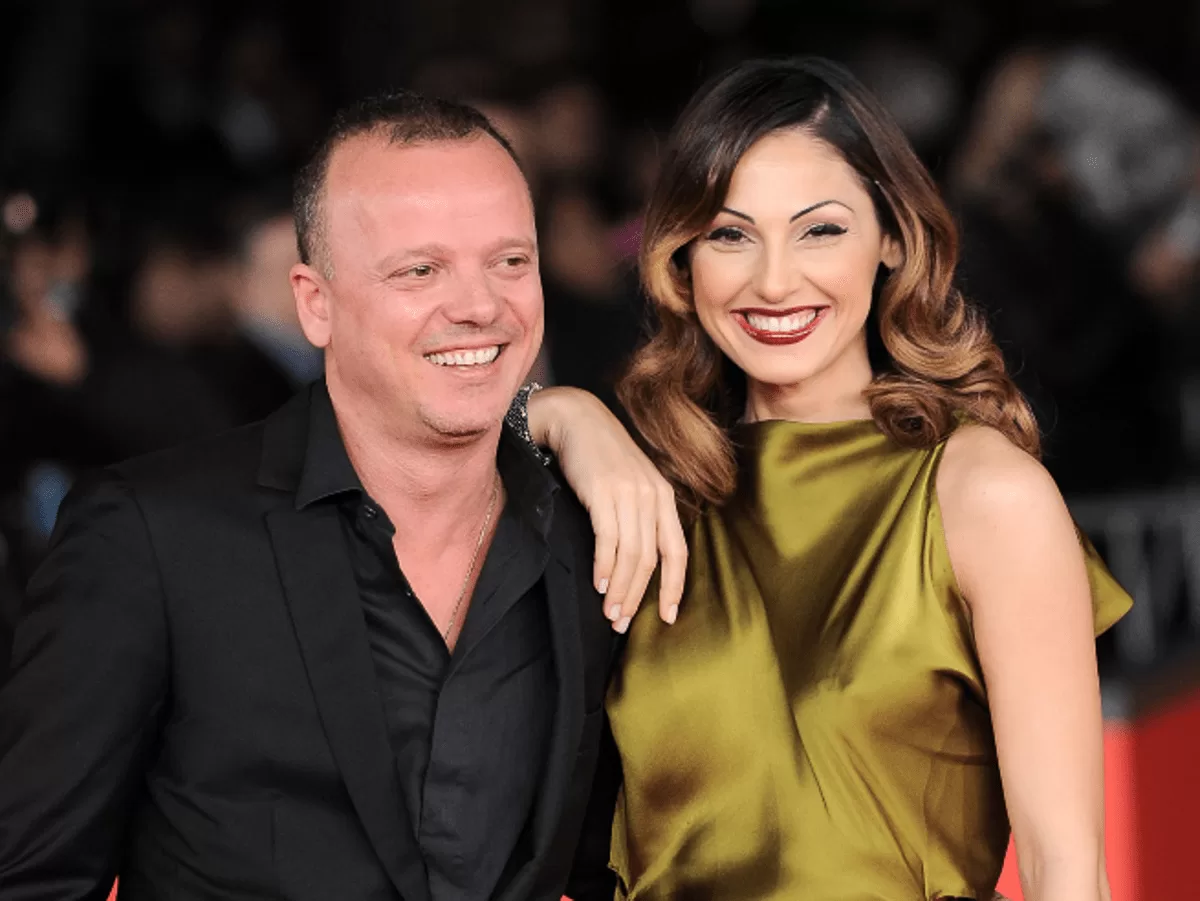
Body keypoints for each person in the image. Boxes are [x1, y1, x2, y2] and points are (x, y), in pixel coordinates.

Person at [0, 92, 682, 901]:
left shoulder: (592, 537)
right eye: (420, 269)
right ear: (314, 303)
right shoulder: (152, 537)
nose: (479, 305)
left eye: (509, 261)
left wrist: (560, 413)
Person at [521, 57, 1132, 901]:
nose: (775, 280)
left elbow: (1068, 870)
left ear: (893, 238)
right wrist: (556, 413)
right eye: (731, 234)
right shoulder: (647, 491)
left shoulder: (980, 493)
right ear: (683, 256)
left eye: (820, 230)